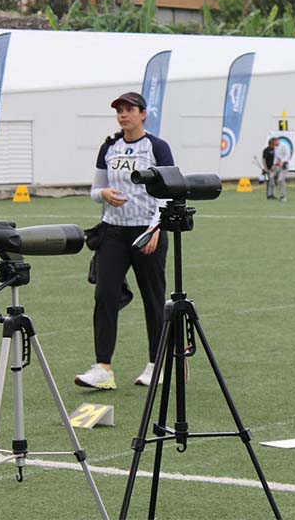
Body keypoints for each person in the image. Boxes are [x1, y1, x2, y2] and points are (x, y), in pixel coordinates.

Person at [75, 92, 173, 390]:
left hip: (147, 231)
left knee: (153, 299)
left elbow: (169, 190)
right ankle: (103, 368)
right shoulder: (109, 147)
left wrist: (156, 228)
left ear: (143, 114)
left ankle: (157, 364)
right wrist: (103, 195)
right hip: (112, 232)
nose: (123, 115)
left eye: (129, 110)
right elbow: (95, 190)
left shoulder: (157, 147)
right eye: (119, 111)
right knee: (105, 295)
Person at [271, 137, 289, 202]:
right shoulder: (276, 147)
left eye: (274, 143)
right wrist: (273, 164)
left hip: (284, 165)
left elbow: (287, 155)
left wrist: (283, 161)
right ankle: (280, 194)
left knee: (281, 180)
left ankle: (284, 196)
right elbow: (276, 157)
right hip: (278, 165)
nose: (274, 145)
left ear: (276, 141)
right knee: (272, 177)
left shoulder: (284, 145)